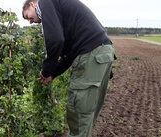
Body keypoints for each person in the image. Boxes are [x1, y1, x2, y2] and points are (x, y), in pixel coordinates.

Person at [22, 0, 115, 136]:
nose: (30, 21)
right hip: (103, 53)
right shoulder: (62, 14)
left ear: (32, 4)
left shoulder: (44, 2)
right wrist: (53, 73)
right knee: (87, 113)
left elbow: (55, 40)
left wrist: (46, 69)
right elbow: (72, 53)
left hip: (92, 55)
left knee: (79, 113)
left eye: (28, 16)